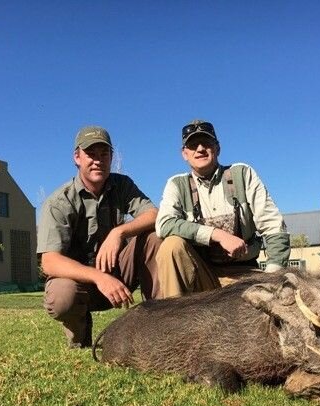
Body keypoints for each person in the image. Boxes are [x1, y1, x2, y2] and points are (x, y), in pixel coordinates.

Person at [38, 126, 162, 348]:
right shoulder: (59, 202)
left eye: (104, 154)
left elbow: (154, 214)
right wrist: (99, 277)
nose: (98, 160)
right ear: (77, 157)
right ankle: (79, 339)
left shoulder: (122, 185)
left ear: (111, 157)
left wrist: (119, 232)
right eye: (91, 154)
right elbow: (49, 261)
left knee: (154, 236)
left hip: (119, 274)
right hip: (81, 284)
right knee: (62, 296)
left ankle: (158, 325)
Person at [155, 119, 290, 298]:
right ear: (184, 153)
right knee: (171, 245)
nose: (200, 149)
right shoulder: (176, 184)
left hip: (246, 277)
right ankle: (173, 318)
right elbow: (164, 224)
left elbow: (274, 227)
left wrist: (272, 277)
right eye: (193, 145)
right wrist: (218, 235)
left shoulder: (242, 173)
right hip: (202, 277)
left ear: (217, 148)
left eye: (207, 143)